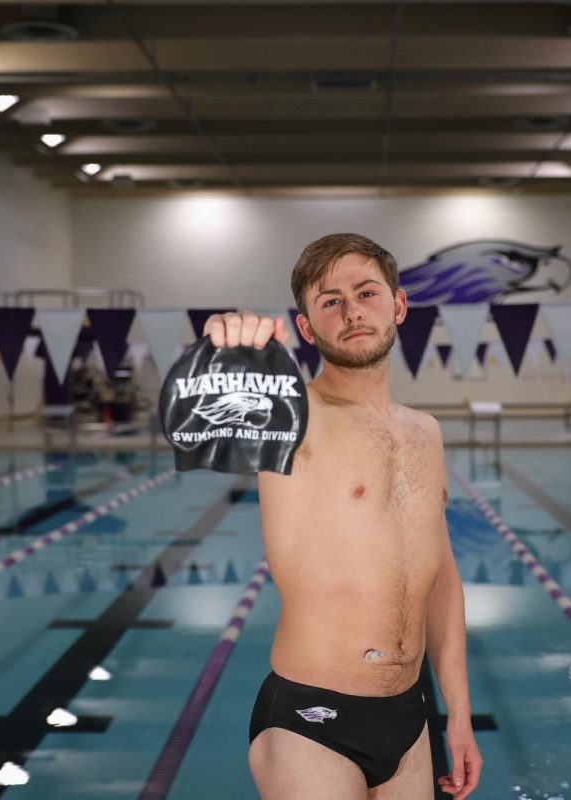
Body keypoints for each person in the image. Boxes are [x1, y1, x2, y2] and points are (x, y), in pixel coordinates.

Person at [201, 233, 481, 800]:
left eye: (366, 293)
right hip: (311, 719)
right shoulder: (294, 413)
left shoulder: (425, 432)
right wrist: (225, 352)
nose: (352, 311)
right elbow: (209, 420)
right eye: (329, 301)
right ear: (306, 328)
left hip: (408, 719)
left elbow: (442, 580)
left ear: (398, 305)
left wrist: (460, 715)